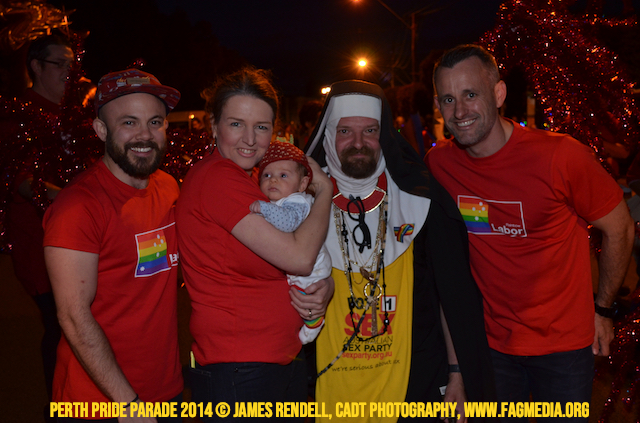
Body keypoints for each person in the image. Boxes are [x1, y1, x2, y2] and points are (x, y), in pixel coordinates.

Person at [426, 44, 635, 419]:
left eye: (470, 95)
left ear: (498, 94)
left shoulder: (560, 156)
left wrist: (604, 309)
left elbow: (619, 227)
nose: (459, 112)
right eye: (448, 99)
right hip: (491, 346)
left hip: (563, 350)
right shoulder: (440, 164)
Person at [306, 80, 495, 423]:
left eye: (370, 130)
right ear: (329, 136)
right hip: (325, 387)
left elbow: (450, 297)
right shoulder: (299, 204)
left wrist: (457, 374)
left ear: (384, 135)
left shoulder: (422, 201)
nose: (359, 143)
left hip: (414, 385)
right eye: (345, 131)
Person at [175, 67, 334, 422]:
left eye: (261, 127)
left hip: (273, 360)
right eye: (236, 124)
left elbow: (300, 253)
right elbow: (299, 256)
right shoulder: (218, 177)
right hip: (240, 369)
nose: (249, 139)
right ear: (213, 125)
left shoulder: (253, 179)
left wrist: (326, 285)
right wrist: (324, 191)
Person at [43, 68, 184, 422]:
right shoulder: (79, 207)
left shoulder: (168, 187)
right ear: (101, 130)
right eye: (129, 122)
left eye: (155, 122)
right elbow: (73, 316)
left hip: (164, 390)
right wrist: (128, 403)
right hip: (100, 403)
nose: (145, 135)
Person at [4, 34, 73, 417]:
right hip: (40, 248)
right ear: (35, 66)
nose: (68, 72)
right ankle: (61, 407)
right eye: (59, 63)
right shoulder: (19, 114)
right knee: (63, 328)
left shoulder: (71, 115)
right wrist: (75, 197)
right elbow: (20, 180)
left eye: (72, 64)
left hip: (72, 241)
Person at [249, 140, 332, 344]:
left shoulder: (297, 201)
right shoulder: (279, 202)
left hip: (313, 269)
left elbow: (287, 223)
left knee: (305, 296)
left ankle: (314, 323)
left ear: (302, 184)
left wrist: (264, 209)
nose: (273, 180)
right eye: (267, 175)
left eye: (283, 175)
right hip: (299, 266)